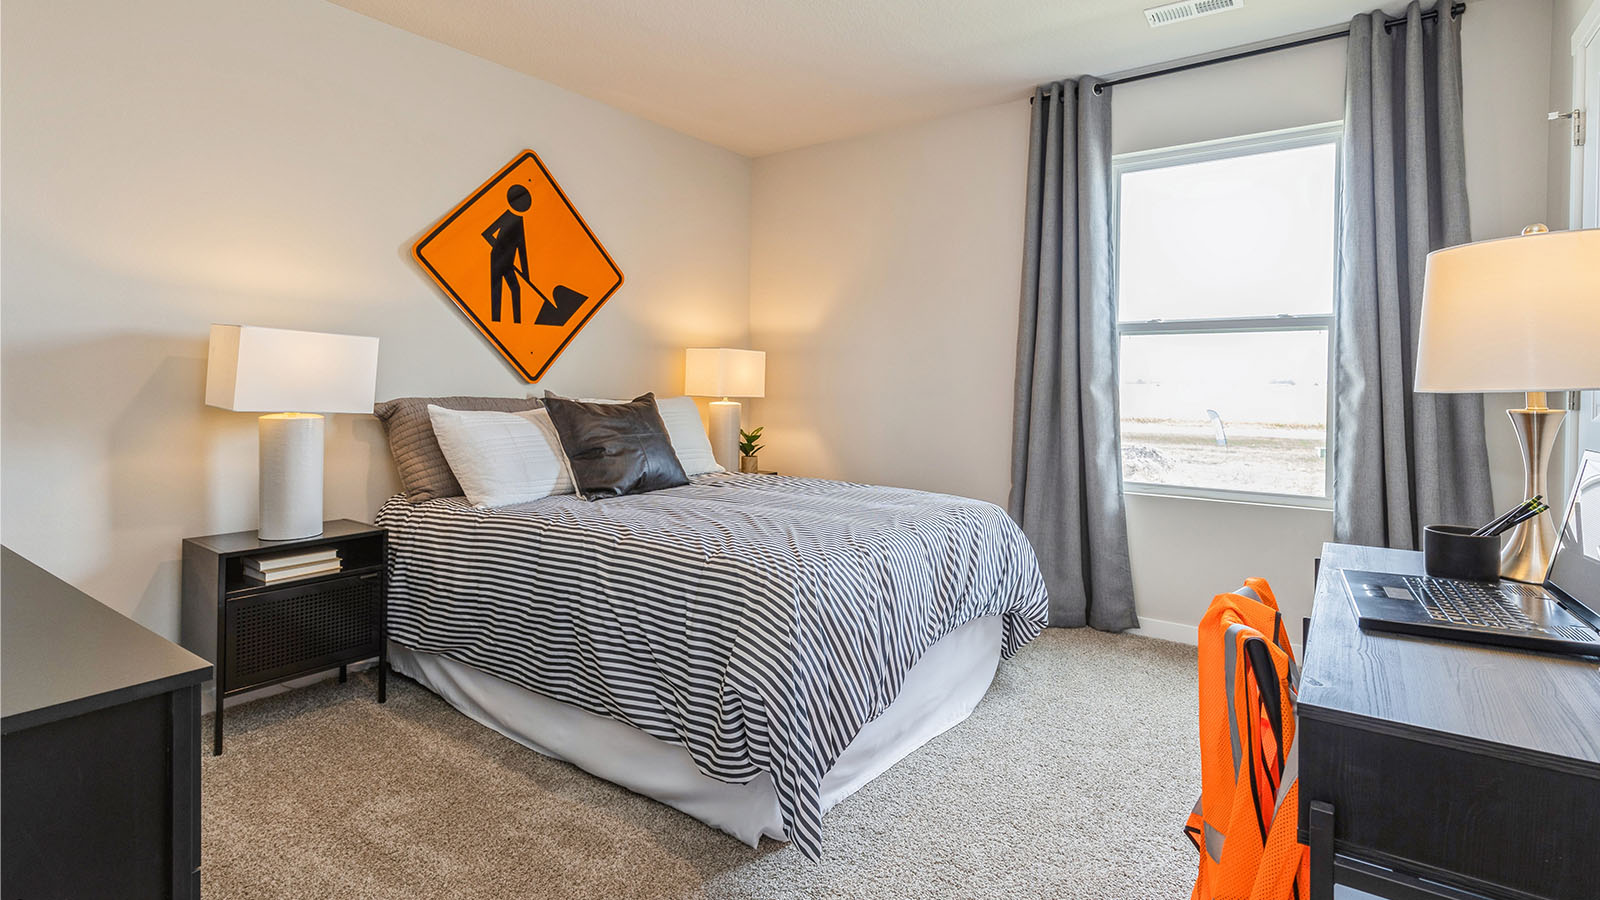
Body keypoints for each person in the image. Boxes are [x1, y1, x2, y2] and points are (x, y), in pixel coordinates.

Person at [482, 184, 532, 323]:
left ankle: (517, 322)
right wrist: (500, 248)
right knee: (497, 291)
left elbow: (522, 248)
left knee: (516, 289)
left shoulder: (519, 222)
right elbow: (487, 234)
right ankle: (496, 321)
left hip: (509, 262)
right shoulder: (507, 217)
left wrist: (526, 274)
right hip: (497, 259)